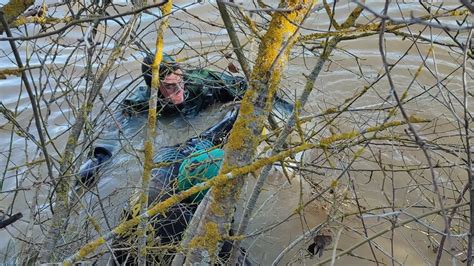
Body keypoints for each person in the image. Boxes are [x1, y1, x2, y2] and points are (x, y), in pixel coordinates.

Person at [111, 108, 252, 265]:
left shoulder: (166, 167)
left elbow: (203, 141)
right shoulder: (191, 224)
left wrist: (233, 119)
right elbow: (235, 257)